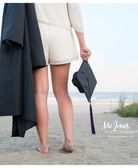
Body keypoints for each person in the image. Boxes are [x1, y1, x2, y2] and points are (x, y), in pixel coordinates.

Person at [33, 3, 92, 154]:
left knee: (40, 93)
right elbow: (75, 11)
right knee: (62, 92)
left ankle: (44, 146)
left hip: (37, 33)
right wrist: (83, 44)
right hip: (61, 34)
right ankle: (69, 140)